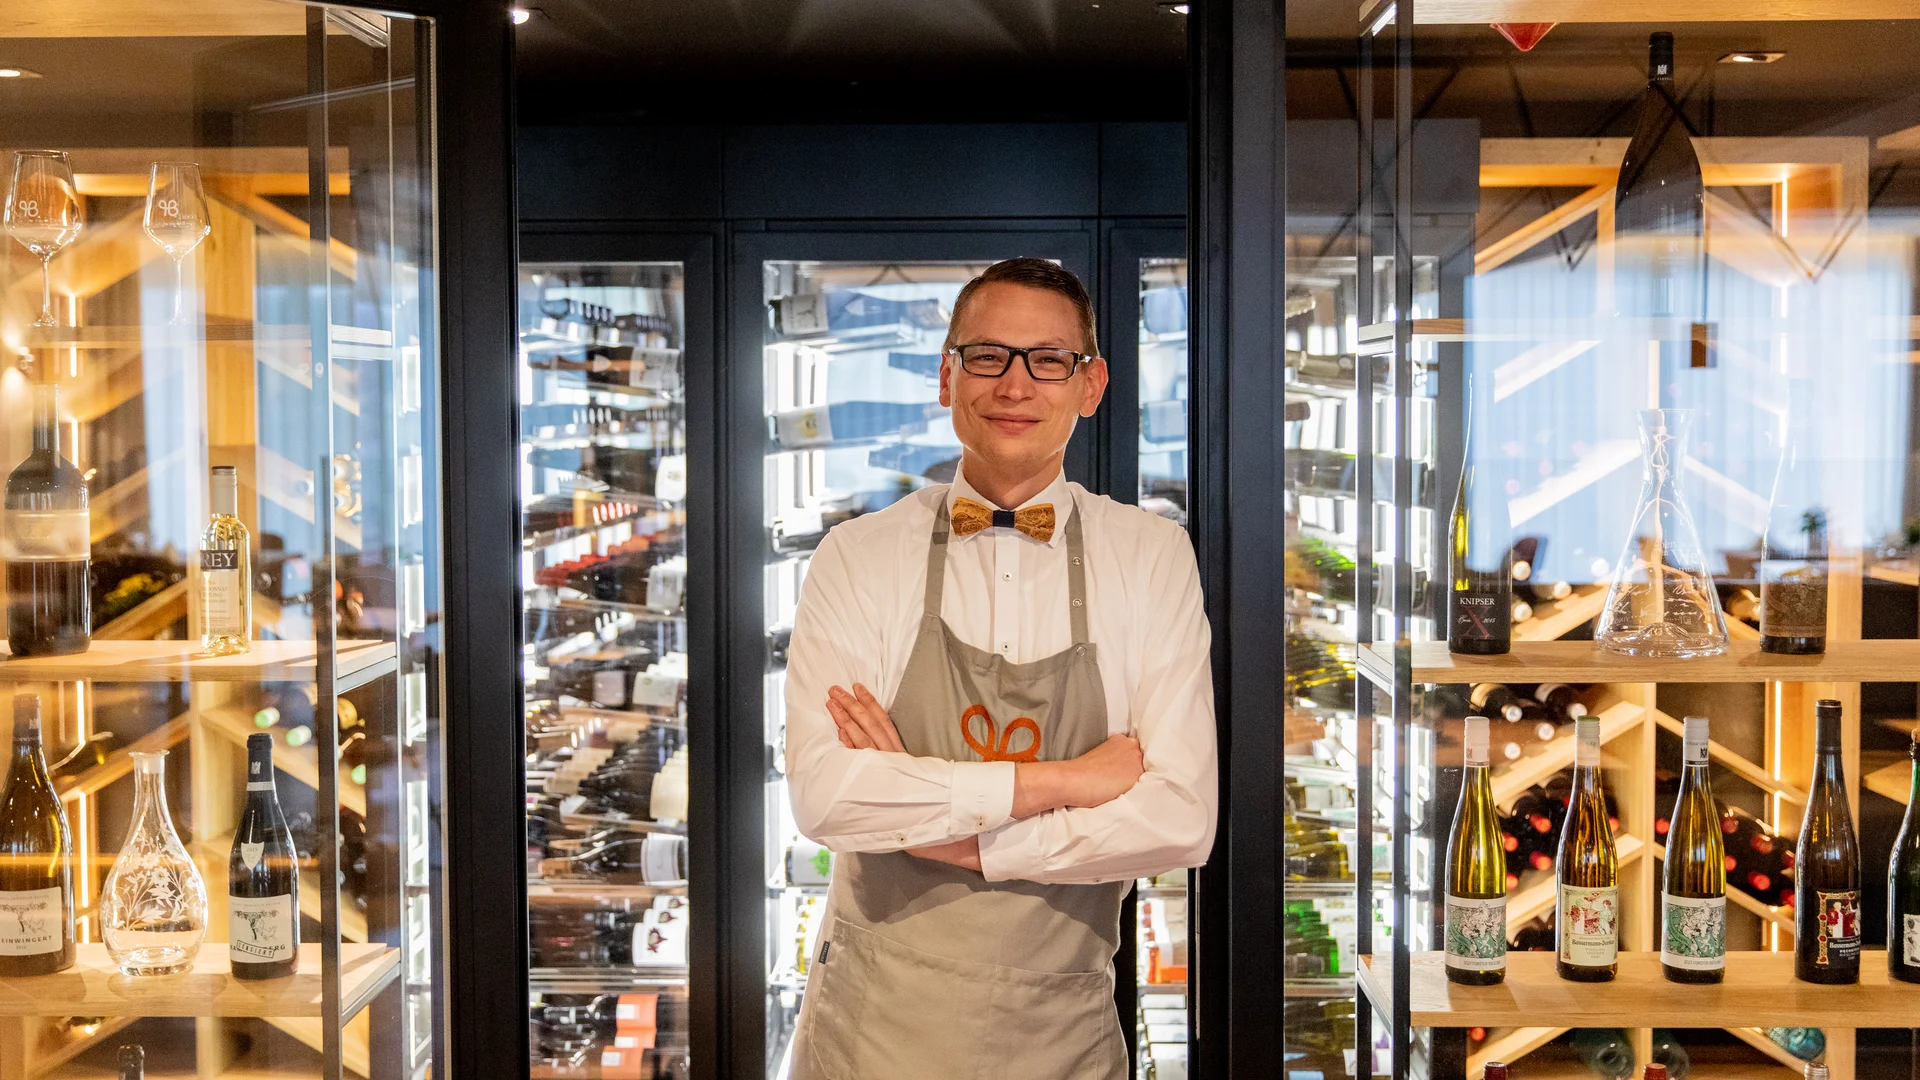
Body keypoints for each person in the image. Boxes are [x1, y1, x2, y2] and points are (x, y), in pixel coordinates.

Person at [784, 258, 1217, 1080]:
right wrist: (1066, 782)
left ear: (1091, 386)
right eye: (986, 356)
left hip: (1063, 1035)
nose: (1015, 384)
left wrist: (954, 832)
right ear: (946, 377)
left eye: (1048, 359)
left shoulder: (1153, 556)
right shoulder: (858, 555)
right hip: (871, 1035)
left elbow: (1181, 820)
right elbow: (827, 799)